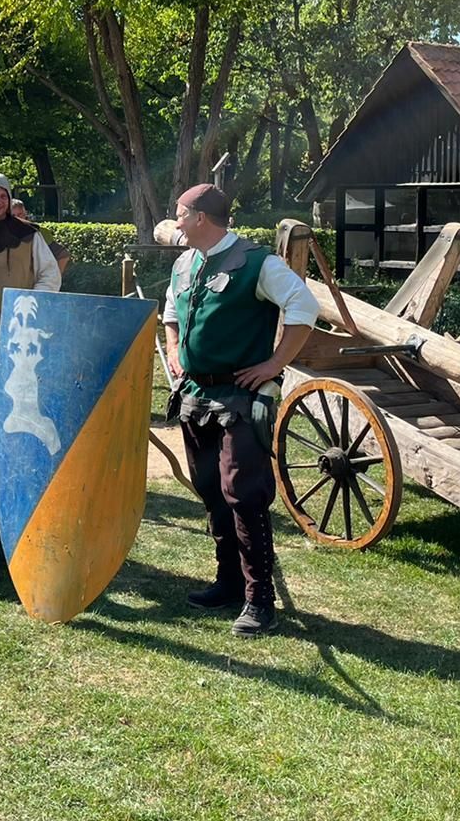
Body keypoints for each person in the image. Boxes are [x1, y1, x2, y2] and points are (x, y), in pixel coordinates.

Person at [160, 183, 317, 639]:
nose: (176, 222)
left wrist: (273, 364)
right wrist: (174, 347)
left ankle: (259, 599)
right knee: (211, 489)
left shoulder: (257, 263)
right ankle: (227, 583)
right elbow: (171, 311)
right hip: (196, 394)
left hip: (241, 399)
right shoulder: (185, 263)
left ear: (200, 218)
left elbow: (304, 306)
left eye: (180, 214)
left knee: (243, 494)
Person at [0, 173, 61, 375]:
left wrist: (30, 305)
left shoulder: (28, 234)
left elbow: (50, 274)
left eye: (3, 196)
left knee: (8, 383)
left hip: (15, 327)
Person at [10, 197, 70, 275]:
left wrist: (54, 278)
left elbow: (63, 255)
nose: (17, 219)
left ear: (25, 214)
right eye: (13, 216)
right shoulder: (1, 234)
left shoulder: (39, 232)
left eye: (20, 214)